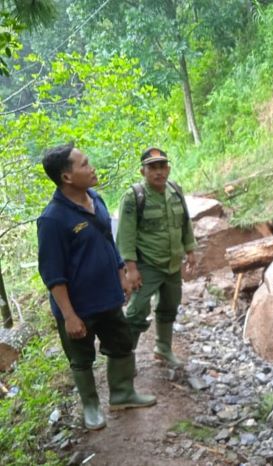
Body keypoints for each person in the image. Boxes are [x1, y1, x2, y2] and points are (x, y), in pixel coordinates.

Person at [37, 143, 156, 431]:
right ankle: (91, 407)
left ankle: (122, 393)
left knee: (121, 343)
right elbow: (52, 274)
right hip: (78, 307)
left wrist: (122, 274)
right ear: (66, 177)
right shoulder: (52, 219)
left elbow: (108, 242)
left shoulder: (95, 198)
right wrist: (69, 315)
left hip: (108, 298)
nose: (91, 168)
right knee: (81, 358)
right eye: (84, 164)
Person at [116, 147, 196, 368]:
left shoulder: (175, 191)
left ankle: (163, 348)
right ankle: (125, 360)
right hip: (146, 265)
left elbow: (185, 223)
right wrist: (130, 269)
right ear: (143, 171)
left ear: (168, 169)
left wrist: (190, 251)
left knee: (170, 305)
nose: (158, 172)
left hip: (172, 264)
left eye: (162, 167)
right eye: (152, 168)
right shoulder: (134, 196)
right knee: (135, 311)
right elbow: (126, 234)